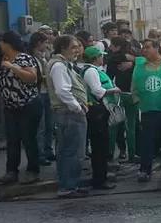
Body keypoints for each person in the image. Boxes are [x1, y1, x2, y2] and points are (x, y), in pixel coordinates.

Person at [0, 31, 43, 185]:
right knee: (12, 140)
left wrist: (12, 67)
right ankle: (11, 171)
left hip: (27, 104)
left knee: (28, 139)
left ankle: (33, 170)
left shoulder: (24, 58)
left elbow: (31, 78)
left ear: (7, 43)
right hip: (11, 107)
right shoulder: (4, 58)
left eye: (1, 42)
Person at [47, 35, 89, 198]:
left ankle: (68, 185)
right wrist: (77, 107)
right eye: (73, 47)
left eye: (78, 46)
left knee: (66, 151)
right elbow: (62, 90)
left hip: (66, 113)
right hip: (69, 113)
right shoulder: (59, 66)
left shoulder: (63, 64)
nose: (77, 50)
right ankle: (68, 186)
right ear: (62, 48)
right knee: (73, 151)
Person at [133, 39, 161, 183]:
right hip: (148, 109)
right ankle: (145, 170)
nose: (144, 50)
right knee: (147, 141)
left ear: (157, 48)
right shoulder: (139, 65)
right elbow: (134, 86)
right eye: (143, 48)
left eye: (147, 47)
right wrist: (136, 101)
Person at [78, 46, 121, 190]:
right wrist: (113, 90)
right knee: (100, 146)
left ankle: (101, 176)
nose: (102, 58)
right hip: (96, 112)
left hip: (97, 111)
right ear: (95, 58)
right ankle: (99, 180)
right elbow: (98, 91)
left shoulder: (93, 70)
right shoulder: (91, 71)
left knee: (101, 146)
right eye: (100, 56)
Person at [106, 36, 138, 164]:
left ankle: (110, 154)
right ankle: (132, 153)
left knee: (113, 125)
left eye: (112, 46)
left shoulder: (113, 59)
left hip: (117, 94)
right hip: (132, 94)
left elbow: (109, 77)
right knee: (131, 126)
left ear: (117, 47)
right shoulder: (134, 57)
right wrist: (134, 62)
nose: (110, 48)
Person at [29, 31, 55, 165]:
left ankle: (48, 150)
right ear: (38, 43)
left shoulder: (44, 57)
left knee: (49, 124)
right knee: (41, 126)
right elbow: (35, 77)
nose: (47, 45)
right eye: (45, 42)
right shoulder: (32, 58)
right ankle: (40, 154)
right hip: (39, 93)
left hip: (47, 93)